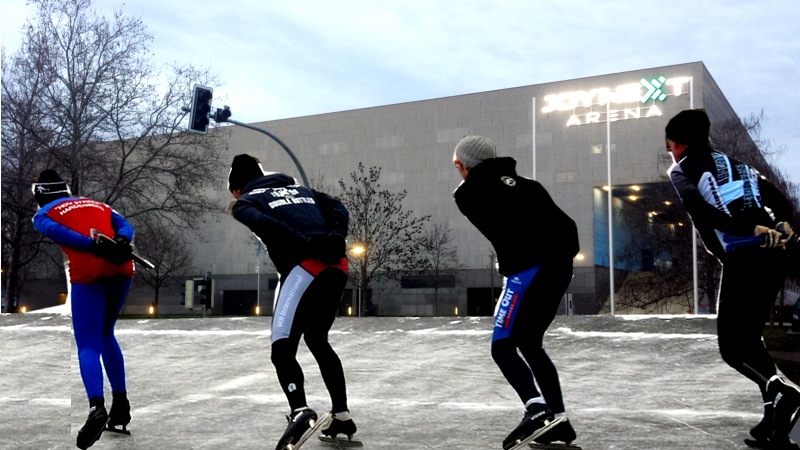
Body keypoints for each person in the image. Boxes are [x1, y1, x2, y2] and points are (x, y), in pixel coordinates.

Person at [665, 109, 800, 448]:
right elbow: (780, 200)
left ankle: (781, 391)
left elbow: (699, 208)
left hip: (745, 254)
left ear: (678, 144)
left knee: (731, 349)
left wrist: (746, 229)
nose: (671, 153)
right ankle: (774, 420)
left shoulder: (682, 171)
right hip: (773, 255)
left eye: (670, 147)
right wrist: (783, 223)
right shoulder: (741, 165)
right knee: (750, 340)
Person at [452, 136, 580, 449]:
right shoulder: (531, 185)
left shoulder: (466, 192)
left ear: (462, 164)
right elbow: (567, 224)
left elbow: (499, 221)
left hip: (526, 271)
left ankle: (536, 408)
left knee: (503, 346)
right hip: (560, 267)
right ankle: (559, 421)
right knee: (531, 343)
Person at [227, 154, 357, 449]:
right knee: (317, 339)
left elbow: (269, 225)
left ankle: (300, 410)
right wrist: (336, 235)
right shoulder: (304, 191)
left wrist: (306, 244)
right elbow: (338, 206)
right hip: (337, 266)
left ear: (237, 188)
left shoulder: (244, 202)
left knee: (282, 348)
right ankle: (342, 415)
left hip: (305, 267)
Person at [31, 169, 135, 449]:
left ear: (40, 196)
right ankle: (121, 405)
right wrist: (122, 242)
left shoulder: (42, 215)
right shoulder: (96, 203)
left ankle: (96, 407)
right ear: (65, 190)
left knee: (87, 344)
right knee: (106, 334)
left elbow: (63, 234)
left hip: (89, 276)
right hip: (122, 271)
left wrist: (93, 247)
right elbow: (125, 225)